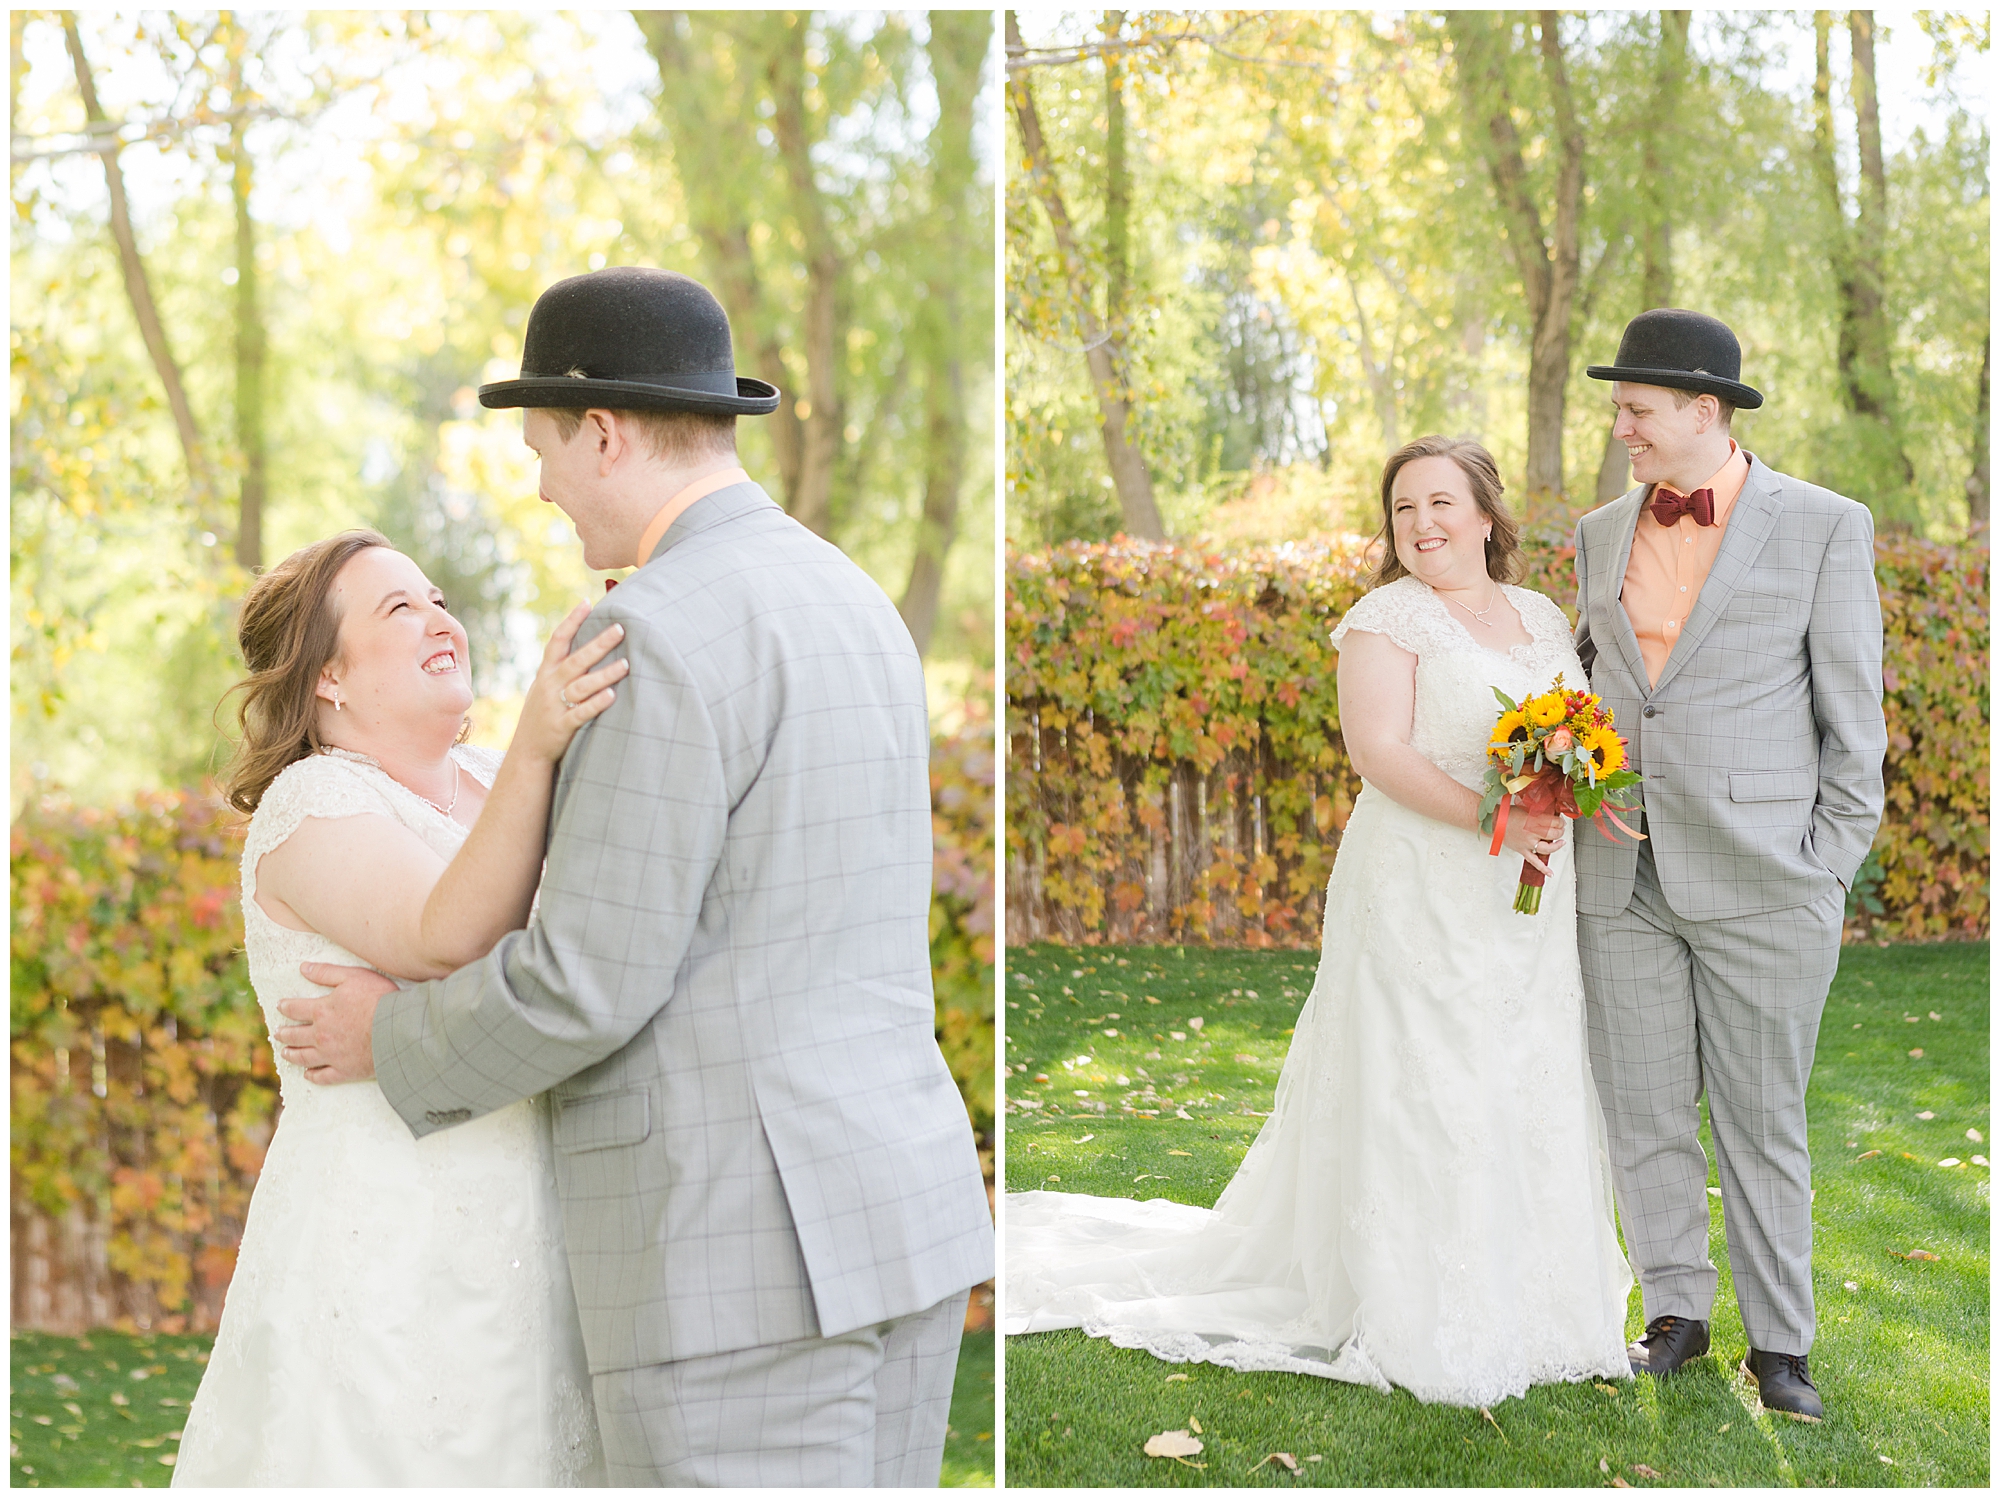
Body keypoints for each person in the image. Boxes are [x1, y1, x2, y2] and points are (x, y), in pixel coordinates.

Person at [272, 266, 995, 1486]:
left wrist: (394, 1037)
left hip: (732, 1254)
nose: (542, 483)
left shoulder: (646, 629)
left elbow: (589, 977)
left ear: (602, 432)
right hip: (898, 1217)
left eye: (545, 447)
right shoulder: (854, 599)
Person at [1004, 436, 1633, 1408]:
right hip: (1420, 878)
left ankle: (1536, 1297)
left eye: (1438, 502)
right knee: (1424, 1074)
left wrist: (1556, 793)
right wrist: (1497, 819)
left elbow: (1569, 731)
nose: (1420, 524)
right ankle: (1414, 1298)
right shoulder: (1385, 618)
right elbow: (1376, 751)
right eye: (1400, 510)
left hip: (1527, 892)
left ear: (1483, 513)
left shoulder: (1544, 615)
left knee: (1520, 1063)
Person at [174, 531, 629, 1484]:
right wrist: (544, 744)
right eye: (398, 608)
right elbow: (445, 933)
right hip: (383, 1244)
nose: (439, 618)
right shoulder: (311, 804)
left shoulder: (503, 774)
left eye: (436, 597)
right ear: (329, 676)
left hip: (543, 1228)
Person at [1574, 308, 1886, 1423]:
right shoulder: (1596, 531)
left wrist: (1822, 868)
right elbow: (1594, 685)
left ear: (1703, 412)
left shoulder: (1822, 525)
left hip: (1767, 880)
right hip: (1619, 881)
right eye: (1620, 410)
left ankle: (1780, 1345)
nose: (1621, 430)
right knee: (1641, 1106)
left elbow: (1854, 725)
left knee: (1761, 1119)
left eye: (1636, 411)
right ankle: (1674, 1314)